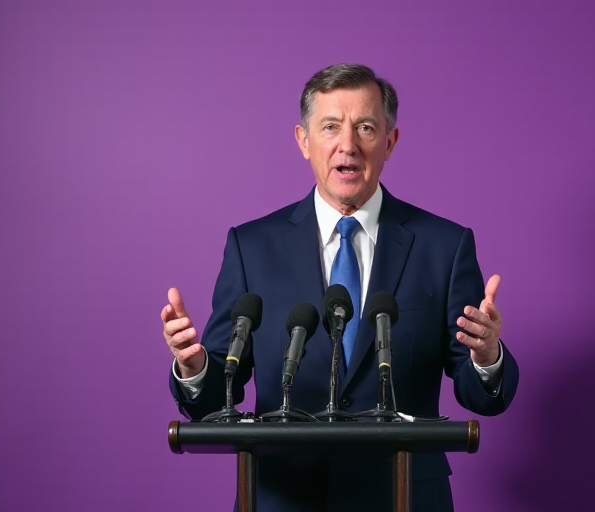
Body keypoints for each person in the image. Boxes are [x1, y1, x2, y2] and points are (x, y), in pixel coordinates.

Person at [161, 63, 518, 512]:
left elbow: (480, 395)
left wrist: (486, 359)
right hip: (283, 497)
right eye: (330, 126)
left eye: (365, 127)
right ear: (303, 140)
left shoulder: (444, 246)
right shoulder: (251, 247)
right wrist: (194, 369)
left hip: (404, 495)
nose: (347, 144)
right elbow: (215, 396)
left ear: (389, 142)